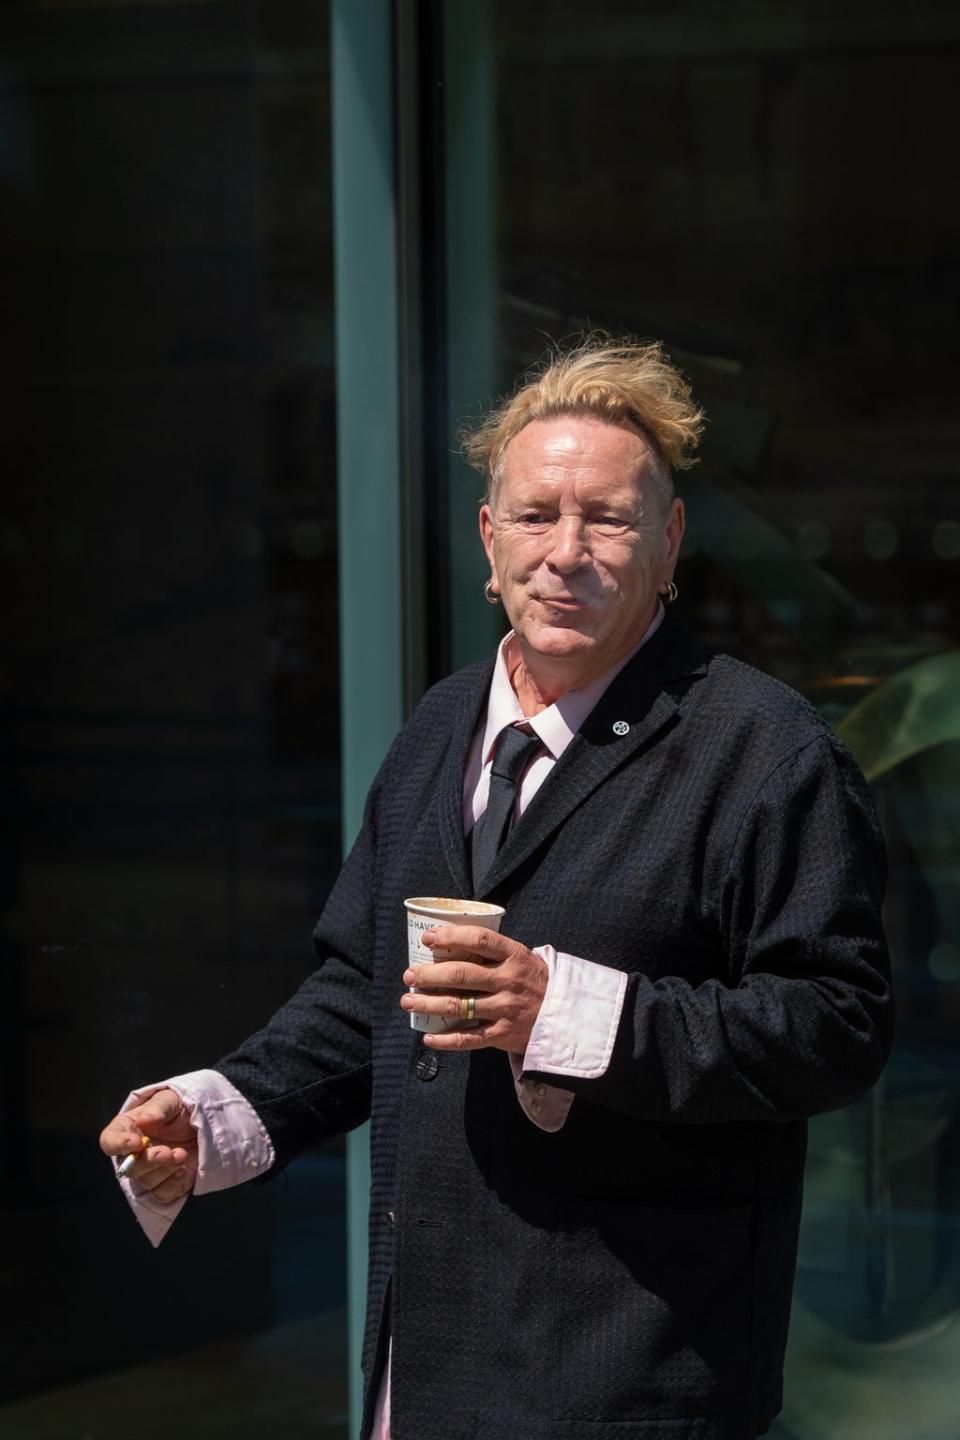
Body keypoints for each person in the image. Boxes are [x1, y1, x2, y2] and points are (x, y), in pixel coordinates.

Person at [100, 336, 894, 1440]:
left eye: (608, 519)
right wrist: (219, 1115)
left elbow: (837, 1025)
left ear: (669, 544)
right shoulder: (440, 727)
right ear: (489, 537)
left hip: (633, 1375)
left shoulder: (764, 748)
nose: (566, 551)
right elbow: (362, 991)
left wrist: (565, 1013)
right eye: (535, 516)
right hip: (422, 1363)